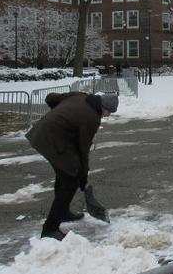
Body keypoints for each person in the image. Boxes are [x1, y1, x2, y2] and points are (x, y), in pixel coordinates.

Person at [26, 92, 118, 240]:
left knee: (65, 175)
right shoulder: (91, 118)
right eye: (108, 112)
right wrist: (83, 175)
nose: (107, 116)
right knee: (69, 182)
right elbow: (83, 149)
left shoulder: (80, 96)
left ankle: (62, 212)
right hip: (52, 141)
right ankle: (50, 229)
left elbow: (50, 98)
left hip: (43, 132)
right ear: (103, 107)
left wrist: (60, 116)